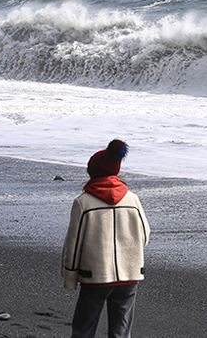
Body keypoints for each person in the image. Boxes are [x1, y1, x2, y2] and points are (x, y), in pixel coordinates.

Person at [62, 139, 150, 338]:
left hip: (95, 275)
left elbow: (73, 245)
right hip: (129, 275)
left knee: (83, 330)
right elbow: (144, 235)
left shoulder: (83, 202)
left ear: (92, 171)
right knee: (121, 331)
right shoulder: (132, 198)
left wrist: (70, 277)